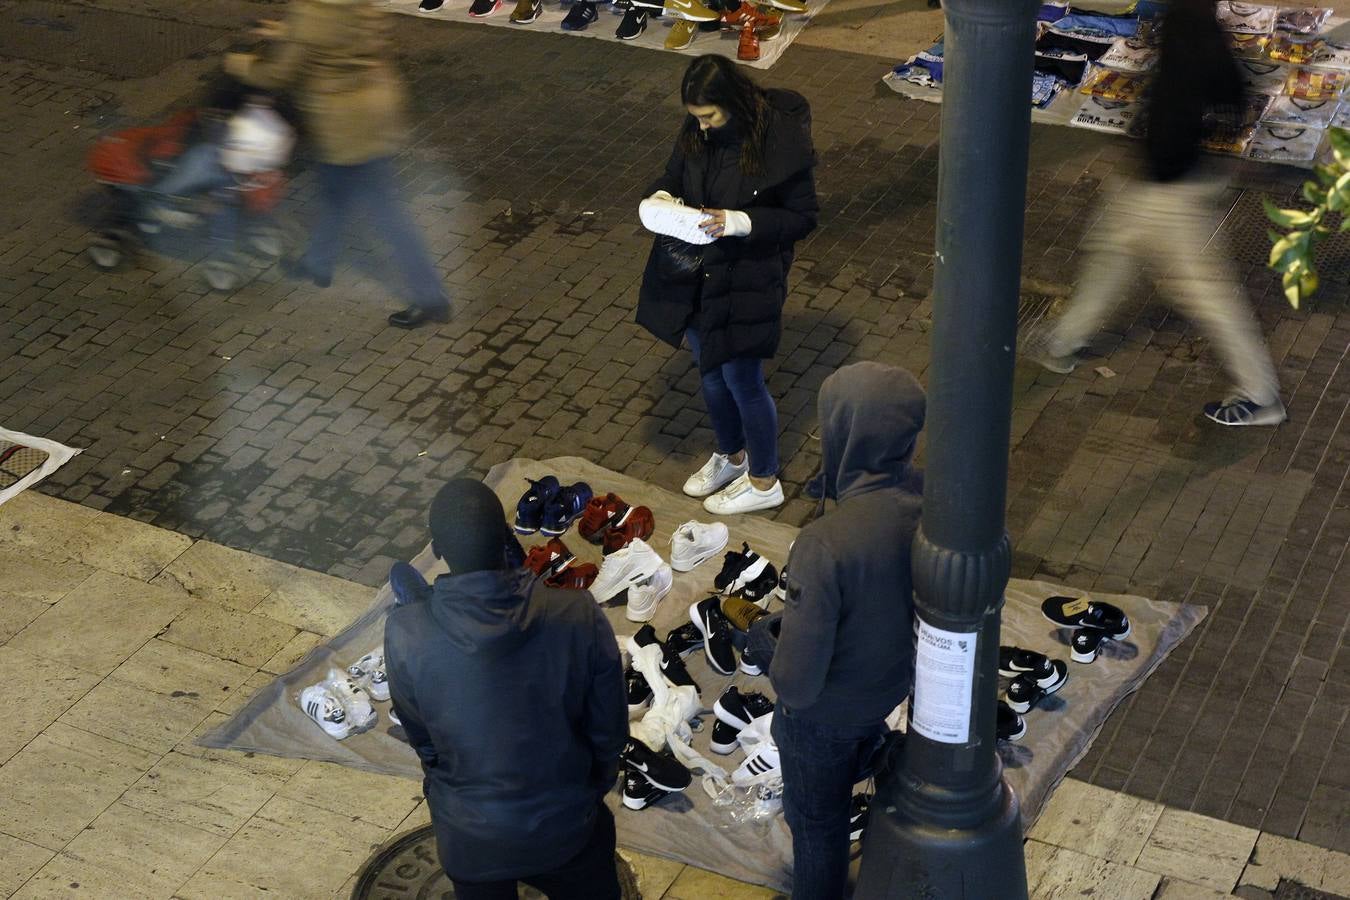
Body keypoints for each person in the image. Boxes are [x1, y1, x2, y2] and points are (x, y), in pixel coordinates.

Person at [1029, 0, 1284, 427]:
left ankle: (1261, 395)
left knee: (1207, 295)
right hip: (1159, 184)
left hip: (1168, 193)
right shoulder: (1200, 32)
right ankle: (1063, 343)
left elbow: (1183, 112)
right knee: (1110, 259)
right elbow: (1233, 98)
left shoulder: (1186, 33)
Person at [383, 479, 627, 899]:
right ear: (506, 538)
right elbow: (609, 734)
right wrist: (586, 790)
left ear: (436, 550)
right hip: (567, 828)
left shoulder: (405, 632)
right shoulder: (576, 612)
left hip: (470, 840)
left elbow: (424, 741)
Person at [636, 54, 819, 515]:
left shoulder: (779, 141)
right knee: (711, 372)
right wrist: (661, 195)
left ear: (731, 102)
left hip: (748, 280)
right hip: (698, 274)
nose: (701, 128)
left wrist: (739, 222)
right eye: (695, 117)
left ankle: (764, 480)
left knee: (742, 378)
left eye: (708, 116)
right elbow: (674, 173)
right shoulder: (698, 131)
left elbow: (802, 217)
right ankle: (732, 455)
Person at [769, 361, 925, 900]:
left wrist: (774, 648)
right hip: (892, 690)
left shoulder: (825, 542)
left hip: (827, 717)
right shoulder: (931, 507)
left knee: (818, 825)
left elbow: (796, 683)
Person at [224, 0, 451, 329]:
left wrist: (237, 61)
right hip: (377, 107)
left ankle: (431, 299)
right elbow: (335, 35)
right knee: (334, 195)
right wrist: (285, 32)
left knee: (389, 218)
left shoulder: (310, 10)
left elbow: (276, 73)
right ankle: (319, 261)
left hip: (344, 125)